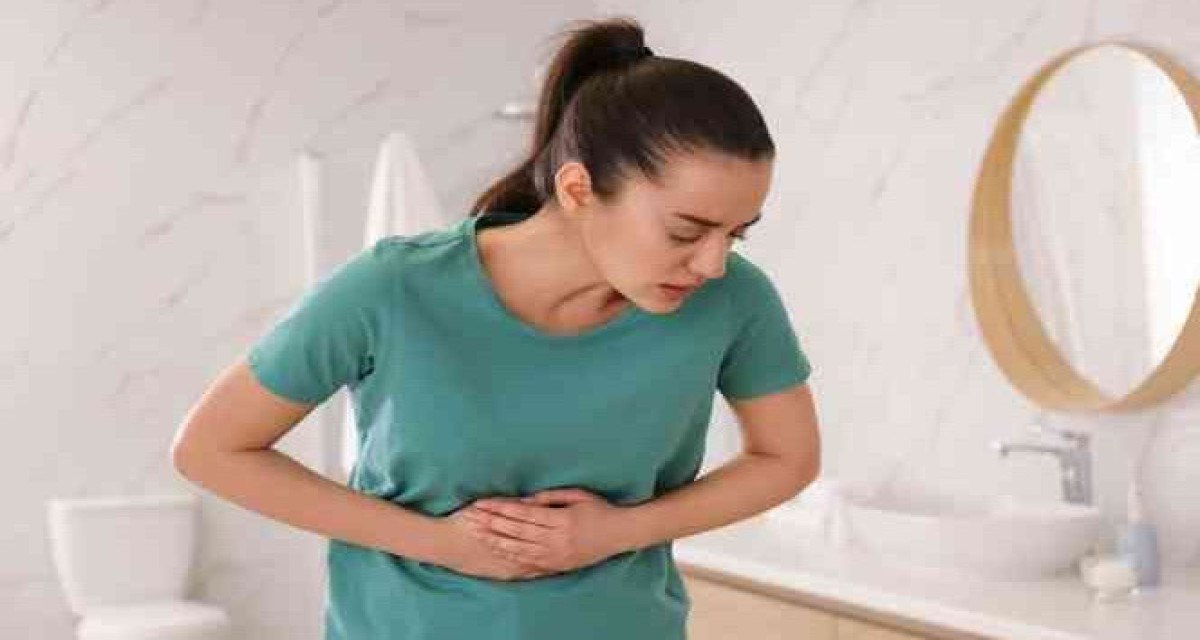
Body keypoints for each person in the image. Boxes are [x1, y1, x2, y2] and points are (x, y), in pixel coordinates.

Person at [170, 15, 821, 640]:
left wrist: (618, 531)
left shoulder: (733, 301)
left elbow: (786, 457)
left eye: (736, 234)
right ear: (577, 190)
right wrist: (442, 544)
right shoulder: (395, 288)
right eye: (685, 231)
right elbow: (212, 448)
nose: (712, 264)